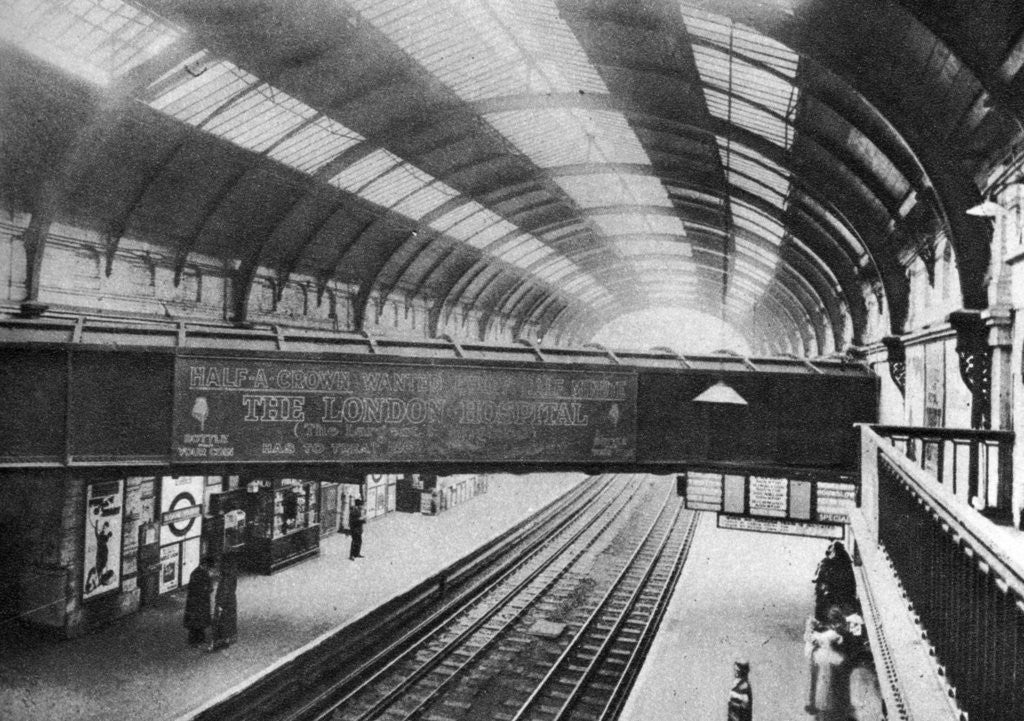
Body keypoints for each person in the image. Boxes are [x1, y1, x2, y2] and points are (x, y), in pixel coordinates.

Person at [805, 607, 850, 721]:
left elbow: (816, 638)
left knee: (824, 684)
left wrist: (812, 630)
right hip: (835, 659)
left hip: (826, 659)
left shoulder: (830, 633)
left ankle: (823, 708)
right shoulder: (837, 631)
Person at [209, 554, 238, 651]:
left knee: (219, 623)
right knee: (229, 622)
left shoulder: (226, 577)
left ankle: (217, 644)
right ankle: (227, 640)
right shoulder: (233, 573)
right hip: (231, 600)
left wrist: (220, 604)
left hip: (224, 603)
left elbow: (224, 590)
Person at [183, 556, 213, 646]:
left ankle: (198, 639)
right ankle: (195, 640)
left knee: (198, 621)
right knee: (197, 622)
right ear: (205, 565)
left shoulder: (197, 573)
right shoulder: (200, 573)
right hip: (198, 602)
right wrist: (207, 589)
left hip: (198, 602)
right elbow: (198, 588)